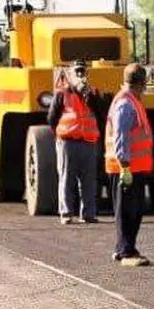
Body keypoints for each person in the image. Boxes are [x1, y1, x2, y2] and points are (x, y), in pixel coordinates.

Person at [105, 63, 154, 267]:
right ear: (142, 83)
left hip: (135, 167)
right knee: (127, 210)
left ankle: (127, 248)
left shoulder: (132, 101)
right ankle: (124, 251)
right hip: (126, 168)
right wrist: (124, 164)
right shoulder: (126, 104)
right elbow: (121, 136)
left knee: (135, 210)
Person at [47, 60, 101, 225]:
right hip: (67, 143)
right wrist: (61, 134)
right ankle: (66, 213)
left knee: (89, 181)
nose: (80, 75)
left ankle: (88, 214)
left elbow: (101, 114)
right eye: (77, 72)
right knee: (66, 178)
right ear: (69, 75)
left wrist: (89, 97)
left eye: (82, 72)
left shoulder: (93, 93)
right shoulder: (62, 94)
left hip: (89, 142)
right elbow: (52, 118)